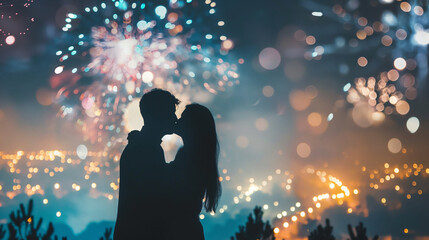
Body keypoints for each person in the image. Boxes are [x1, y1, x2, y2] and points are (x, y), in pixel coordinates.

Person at [114, 89, 180, 239]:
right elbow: (152, 200)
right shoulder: (147, 149)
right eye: (170, 112)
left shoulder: (143, 145)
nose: (175, 118)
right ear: (157, 115)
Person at [166, 103, 222, 240]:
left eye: (183, 118)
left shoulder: (189, 155)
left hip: (182, 231)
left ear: (193, 126)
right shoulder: (198, 155)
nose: (177, 120)